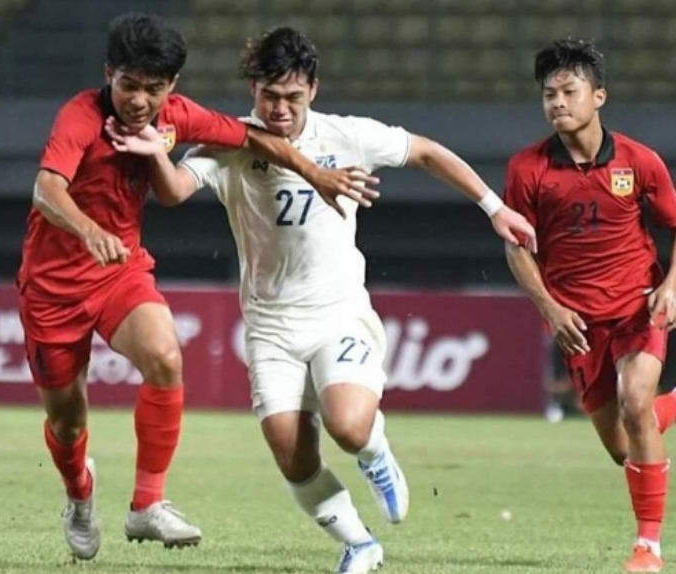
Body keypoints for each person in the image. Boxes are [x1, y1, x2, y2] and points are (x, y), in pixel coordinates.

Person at [106, 27, 536, 574]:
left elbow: (426, 153)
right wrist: (153, 156)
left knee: (349, 426)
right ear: (253, 90)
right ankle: (360, 543)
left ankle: (376, 454)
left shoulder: (347, 136)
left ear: (313, 88)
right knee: (292, 454)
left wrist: (494, 208)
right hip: (268, 327)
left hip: (337, 315)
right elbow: (173, 192)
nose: (280, 109)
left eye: (293, 97)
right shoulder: (232, 143)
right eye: (269, 96)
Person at [18, 13, 375, 561]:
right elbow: (47, 188)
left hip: (120, 273)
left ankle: (146, 505)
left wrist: (316, 173)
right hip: (53, 288)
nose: (140, 100)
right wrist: (90, 232)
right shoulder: (80, 117)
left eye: (153, 89)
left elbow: (256, 139)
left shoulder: (177, 117)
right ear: (109, 74)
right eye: (129, 85)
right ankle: (79, 495)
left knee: (165, 354)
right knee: (67, 424)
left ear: (173, 87)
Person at [503, 38, 676, 573]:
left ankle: (647, 546)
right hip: (577, 325)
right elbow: (515, 248)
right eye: (548, 94)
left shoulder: (638, 162)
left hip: (636, 310)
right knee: (625, 449)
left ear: (598, 96)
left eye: (569, 91)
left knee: (635, 399)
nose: (557, 102)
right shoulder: (527, 169)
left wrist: (671, 286)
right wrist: (551, 311)